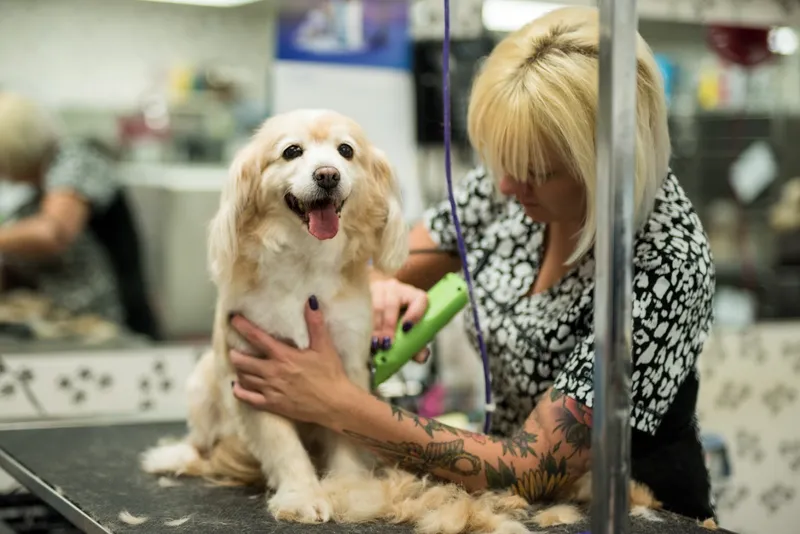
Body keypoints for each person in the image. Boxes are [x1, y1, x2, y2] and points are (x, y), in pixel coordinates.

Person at [226, 5, 716, 521]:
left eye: (533, 170)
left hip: (636, 512)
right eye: (501, 162)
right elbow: (381, 268)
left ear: (609, 162)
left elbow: (536, 467)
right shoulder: (510, 185)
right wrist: (382, 291)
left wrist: (337, 403)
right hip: (515, 506)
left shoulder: (667, 262)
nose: (505, 186)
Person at [0, 92, 124, 324]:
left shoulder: (75, 161)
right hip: (57, 317)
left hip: (103, 322)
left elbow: (52, 234)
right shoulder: (40, 184)